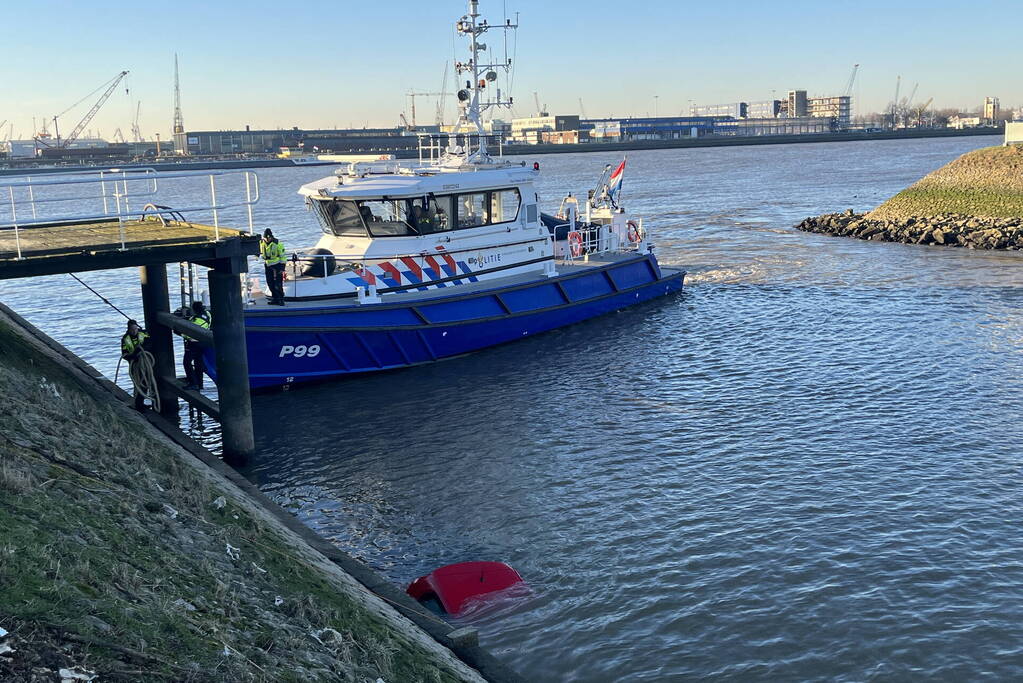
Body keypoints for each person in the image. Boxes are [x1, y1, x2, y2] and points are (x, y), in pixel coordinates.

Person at [120, 319, 150, 411]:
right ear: (128, 329)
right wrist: (133, 357)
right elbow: (124, 354)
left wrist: (143, 349)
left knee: (145, 383)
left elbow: (150, 342)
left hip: (144, 362)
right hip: (134, 364)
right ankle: (138, 405)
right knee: (138, 384)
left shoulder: (142, 334)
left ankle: (141, 403)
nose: (134, 331)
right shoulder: (126, 339)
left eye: (136, 329)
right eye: (132, 330)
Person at [183, 300, 211, 390]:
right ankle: (199, 383)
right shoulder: (207, 314)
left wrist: (179, 331)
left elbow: (190, 333)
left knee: (186, 363)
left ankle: (192, 382)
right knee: (198, 363)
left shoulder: (198, 320)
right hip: (202, 343)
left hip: (193, 343)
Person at [260, 228, 287, 306]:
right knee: (270, 283)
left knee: (278, 284)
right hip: (268, 265)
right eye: (266, 238)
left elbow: (283, 257)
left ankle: (281, 299)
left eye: (268, 238)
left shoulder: (278, 244)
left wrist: (282, 268)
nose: (267, 239)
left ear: (271, 237)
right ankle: (275, 299)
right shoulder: (261, 243)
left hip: (277, 266)